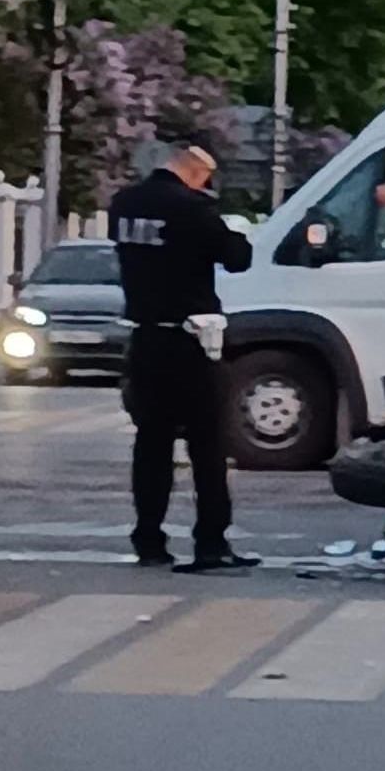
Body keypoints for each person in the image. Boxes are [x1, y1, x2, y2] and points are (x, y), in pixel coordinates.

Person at [108, 139, 258, 573]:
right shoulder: (193, 209)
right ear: (197, 173)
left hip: (144, 341)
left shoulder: (124, 204)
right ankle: (210, 543)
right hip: (191, 343)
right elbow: (238, 258)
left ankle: (149, 539)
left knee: (151, 444)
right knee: (207, 445)